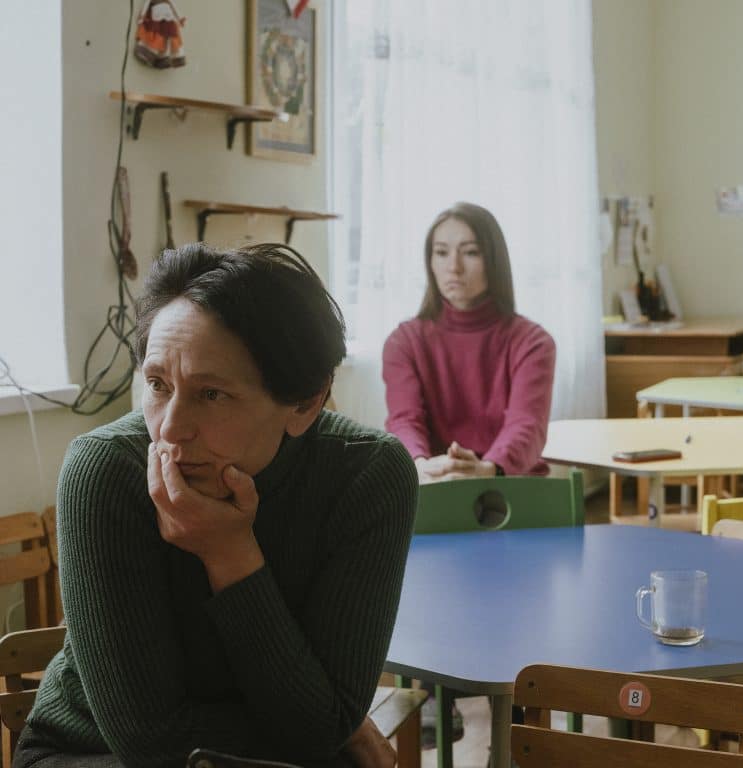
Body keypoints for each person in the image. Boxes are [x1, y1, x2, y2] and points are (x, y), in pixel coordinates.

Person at [16, 243, 417, 768]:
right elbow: (151, 743)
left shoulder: (367, 476)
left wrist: (230, 554)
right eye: (158, 385)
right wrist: (327, 728)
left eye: (212, 395)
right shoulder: (105, 472)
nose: (170, 429)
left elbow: (323, 723)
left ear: (306, 402)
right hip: (91, 756)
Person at [382, 202, 556, 484]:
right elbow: (404, 420)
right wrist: (420, 465)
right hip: (433, 481)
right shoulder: (403, 342)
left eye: (471, 252)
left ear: (494, 260)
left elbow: (527, 425)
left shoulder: (533, 341)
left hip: (511, 484)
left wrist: (490, 468)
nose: (454, 267)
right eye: (441, 252)